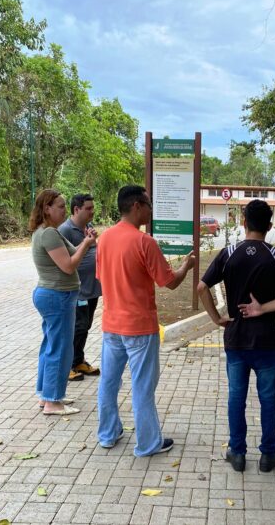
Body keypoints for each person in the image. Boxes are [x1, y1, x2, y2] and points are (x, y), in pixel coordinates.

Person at [198, 199, 275, 473]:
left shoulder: (228, 253)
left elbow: (201, 287)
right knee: (268, 397)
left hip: (235, 340)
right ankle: (269, 454)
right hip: (266, 341)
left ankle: (237, 453)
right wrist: (263, 308)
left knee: (236, 397)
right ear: (270, 225)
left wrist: (217, 318)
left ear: (244, 223)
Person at [96, 185, 195, 455]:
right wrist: (186, 266)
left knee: (108, 382)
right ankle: (148, 444)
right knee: (143, 388)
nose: (151, 210)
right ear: (137, 206)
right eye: (149, 204)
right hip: (139, 327)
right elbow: (170, 282)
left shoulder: (104, 239)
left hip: (111, 325)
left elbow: (101, 277)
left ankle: (107, 434)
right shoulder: (144, 242)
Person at [29, 189, 96, 416]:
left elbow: (70, 255)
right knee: (60, 349)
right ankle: (52, 402)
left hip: (54, 295)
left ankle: (47, 395)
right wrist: (87, 246)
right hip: (57, 296)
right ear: (47, 208)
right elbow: (68, 265)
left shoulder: (48, 232)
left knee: (51, 346)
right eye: (59, 206)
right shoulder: (48, 234)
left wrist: (86, 241)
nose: (64, 210)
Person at [59, 194, 102, 381]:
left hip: (92, 288)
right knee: (77, 327)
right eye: (89, 208)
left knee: (85, 326)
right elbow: (64, 260)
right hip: (77, 290)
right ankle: (66, 366)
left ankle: (78, 361)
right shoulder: (65, 230)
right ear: (77, 209)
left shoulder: (89, 228)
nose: (92, 211)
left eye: (93, 208)